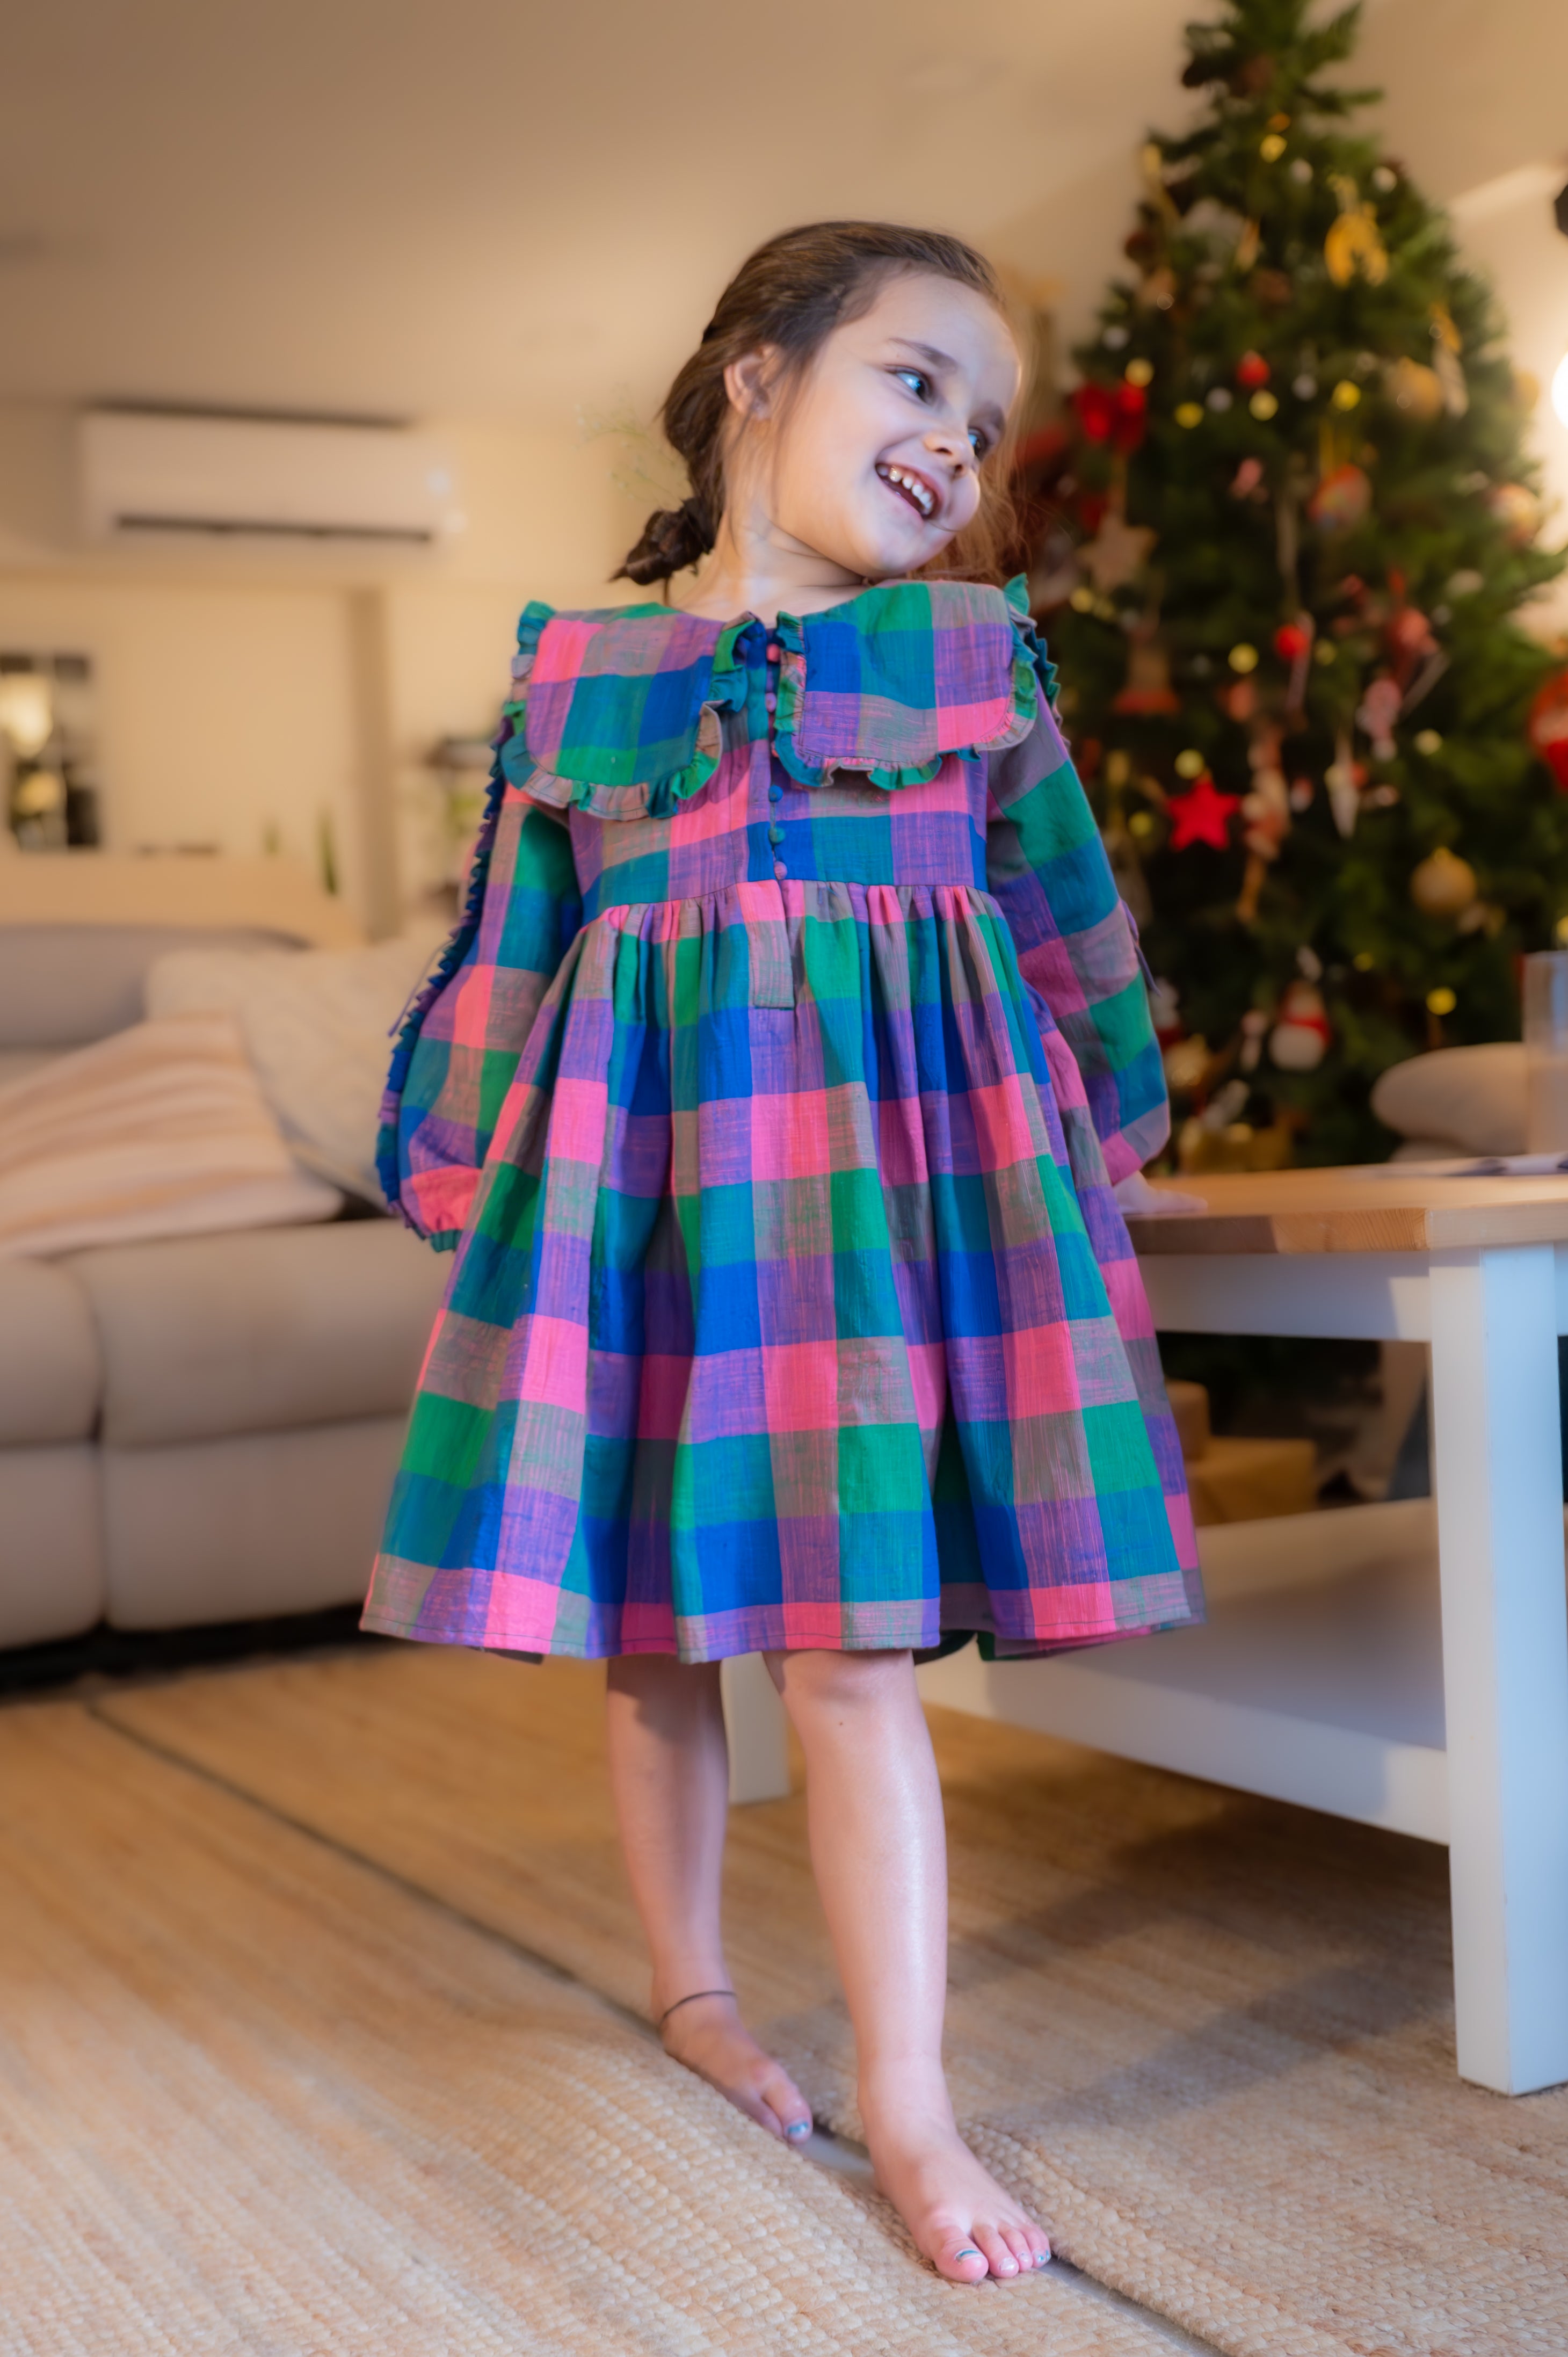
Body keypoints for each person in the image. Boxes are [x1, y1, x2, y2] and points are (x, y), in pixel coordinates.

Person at [364, 220, 1202, 2284]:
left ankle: (913, 2106)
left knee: (847, 1647)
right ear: (758, 374)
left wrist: (1108, 1122)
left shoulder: (971, 658)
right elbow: (513, 947)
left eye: (983, 423)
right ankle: (697, 1992)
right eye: (916, 379)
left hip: (868, 1208)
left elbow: (1069, 915)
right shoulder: (582, 680)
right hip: (647, 1193)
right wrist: (459, 1161)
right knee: (654, 1635)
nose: (956, 442)